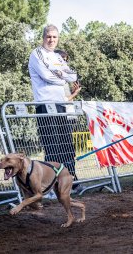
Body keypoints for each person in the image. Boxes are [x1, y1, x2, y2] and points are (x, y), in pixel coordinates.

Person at [28, 24, 83, 193]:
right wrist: (62, 78)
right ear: (43, 37)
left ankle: (71, 181)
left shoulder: (58, 58)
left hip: (61, 105)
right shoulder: (36, 54)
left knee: (66, 145)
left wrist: (62, 75)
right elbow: (46, 76)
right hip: (45, 105)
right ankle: (51, 187)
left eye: (54, 37)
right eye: (48, 37)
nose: (51, 40)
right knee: (52, 147)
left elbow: (73, 75)